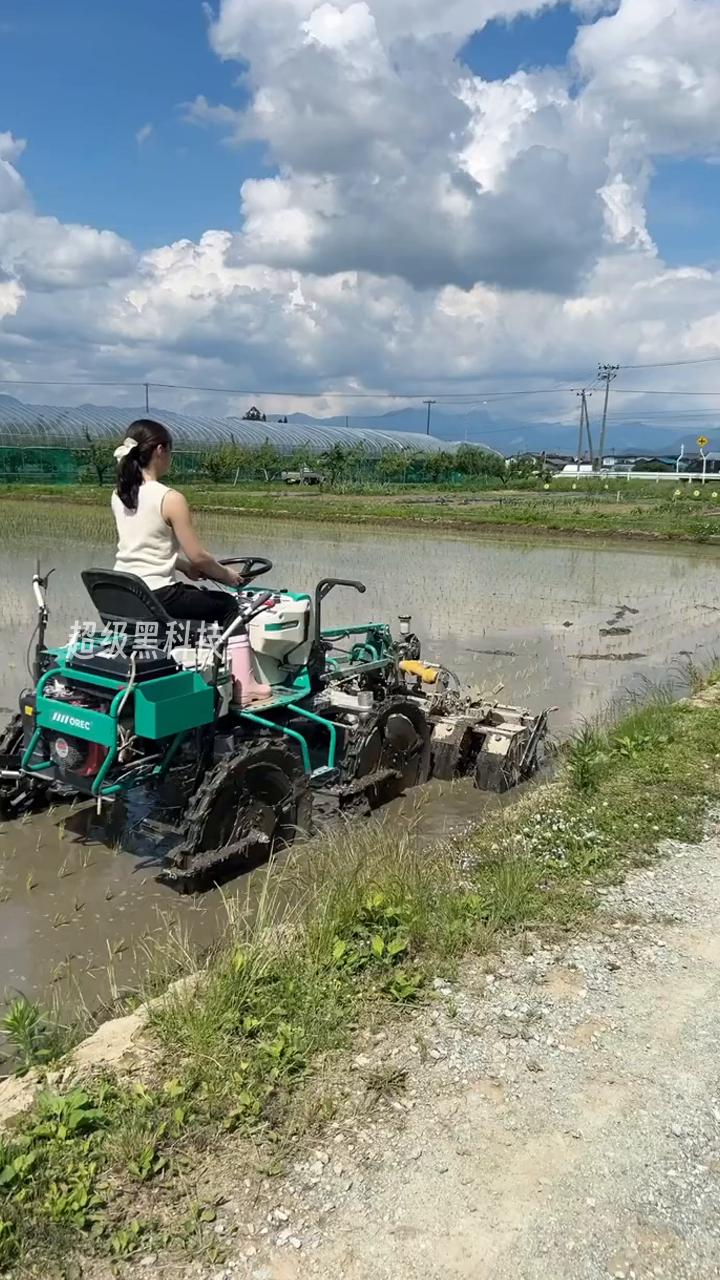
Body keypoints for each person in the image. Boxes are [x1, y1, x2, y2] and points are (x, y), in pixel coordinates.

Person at [111, 418, 242, 629]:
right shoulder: (170, 498)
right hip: (157, 595)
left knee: (192, 596)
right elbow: (198, 557)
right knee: (227, 605)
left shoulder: (120, 494)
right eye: (170, 452)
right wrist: (227, 575)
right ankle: (239, 663)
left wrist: (183, 567)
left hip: (122, 592)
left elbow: (142, 548)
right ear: (160, 450)